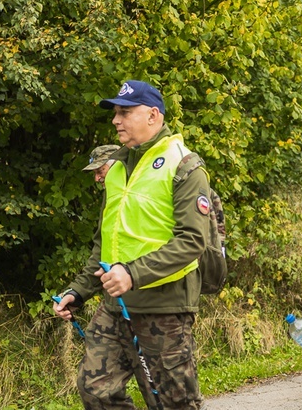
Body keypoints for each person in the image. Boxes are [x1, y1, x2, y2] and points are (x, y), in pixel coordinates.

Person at [53, 80, 210, 410]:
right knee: (95, 391)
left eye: (125, 112)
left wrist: (133, 274)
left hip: (164, 307)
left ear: (153, 115)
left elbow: (193, 240)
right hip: (115, 306)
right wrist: (78, 291)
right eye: (115, 113)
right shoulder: (117, 168)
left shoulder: (184, 164)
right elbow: (106, 245)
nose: (115, 120)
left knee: (173, 403)